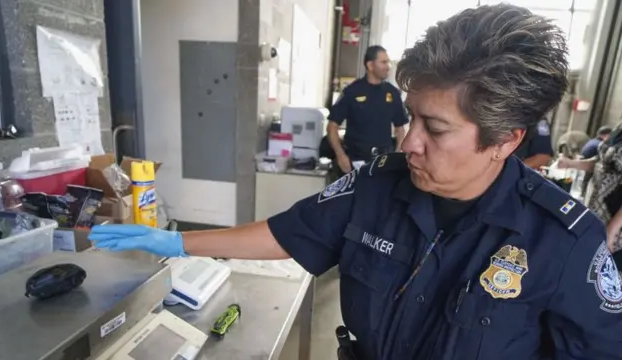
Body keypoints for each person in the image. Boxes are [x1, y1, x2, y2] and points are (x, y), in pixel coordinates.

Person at [90, 5, 622, 359]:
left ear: (506, 139)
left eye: (434, 128)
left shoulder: (564, 242)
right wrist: (178, 241)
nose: (409, 142)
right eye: (411, 117)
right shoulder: (376, 186)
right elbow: (285, 233)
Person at [327, 45, 408, 175]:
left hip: (383, 164)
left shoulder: (392, 93)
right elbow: (332, 127)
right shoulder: (352, 91)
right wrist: (341, 156)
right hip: (355, 163)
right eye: (383, 62)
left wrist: (396, 156)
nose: (388, 66)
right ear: (370, 65)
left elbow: (400, 129)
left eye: (388, 62)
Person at [558, 123, 622, 253]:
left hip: (616, 224)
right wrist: (570, 163)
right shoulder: (618, 130)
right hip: (598, 212)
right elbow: (601, 163)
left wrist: (613, 228)